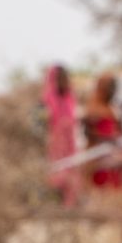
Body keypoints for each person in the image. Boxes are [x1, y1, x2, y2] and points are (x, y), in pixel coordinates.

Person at [41, 64, 81, 204]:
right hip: (56, 142)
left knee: (72, 172)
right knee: (58, 174)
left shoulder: (70, 97)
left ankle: (70, 202)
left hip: (70, 142)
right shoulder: (48, 99)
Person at [83, 73, 122, 192]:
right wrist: (107, 138)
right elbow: (88, 131)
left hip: (113, 155)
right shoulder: (93, 106)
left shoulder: (112, 107)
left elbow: (120, 128)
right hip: (98, 155)